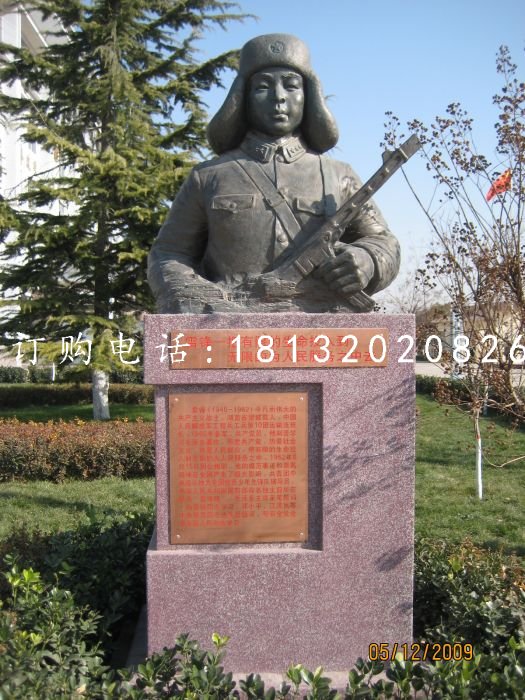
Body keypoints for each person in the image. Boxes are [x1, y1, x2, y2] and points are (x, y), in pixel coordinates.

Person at [148, 33, 400, 313]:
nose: (279, 97)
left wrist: (367, 260)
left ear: (308, 96)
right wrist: (197, 298)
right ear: (243, 98)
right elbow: (168, 253)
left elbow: (384, 242)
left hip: (325, 324)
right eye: (263, 87)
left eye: (291, 86)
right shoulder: (208, 177)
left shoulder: (339, 176)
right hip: (228, 325)